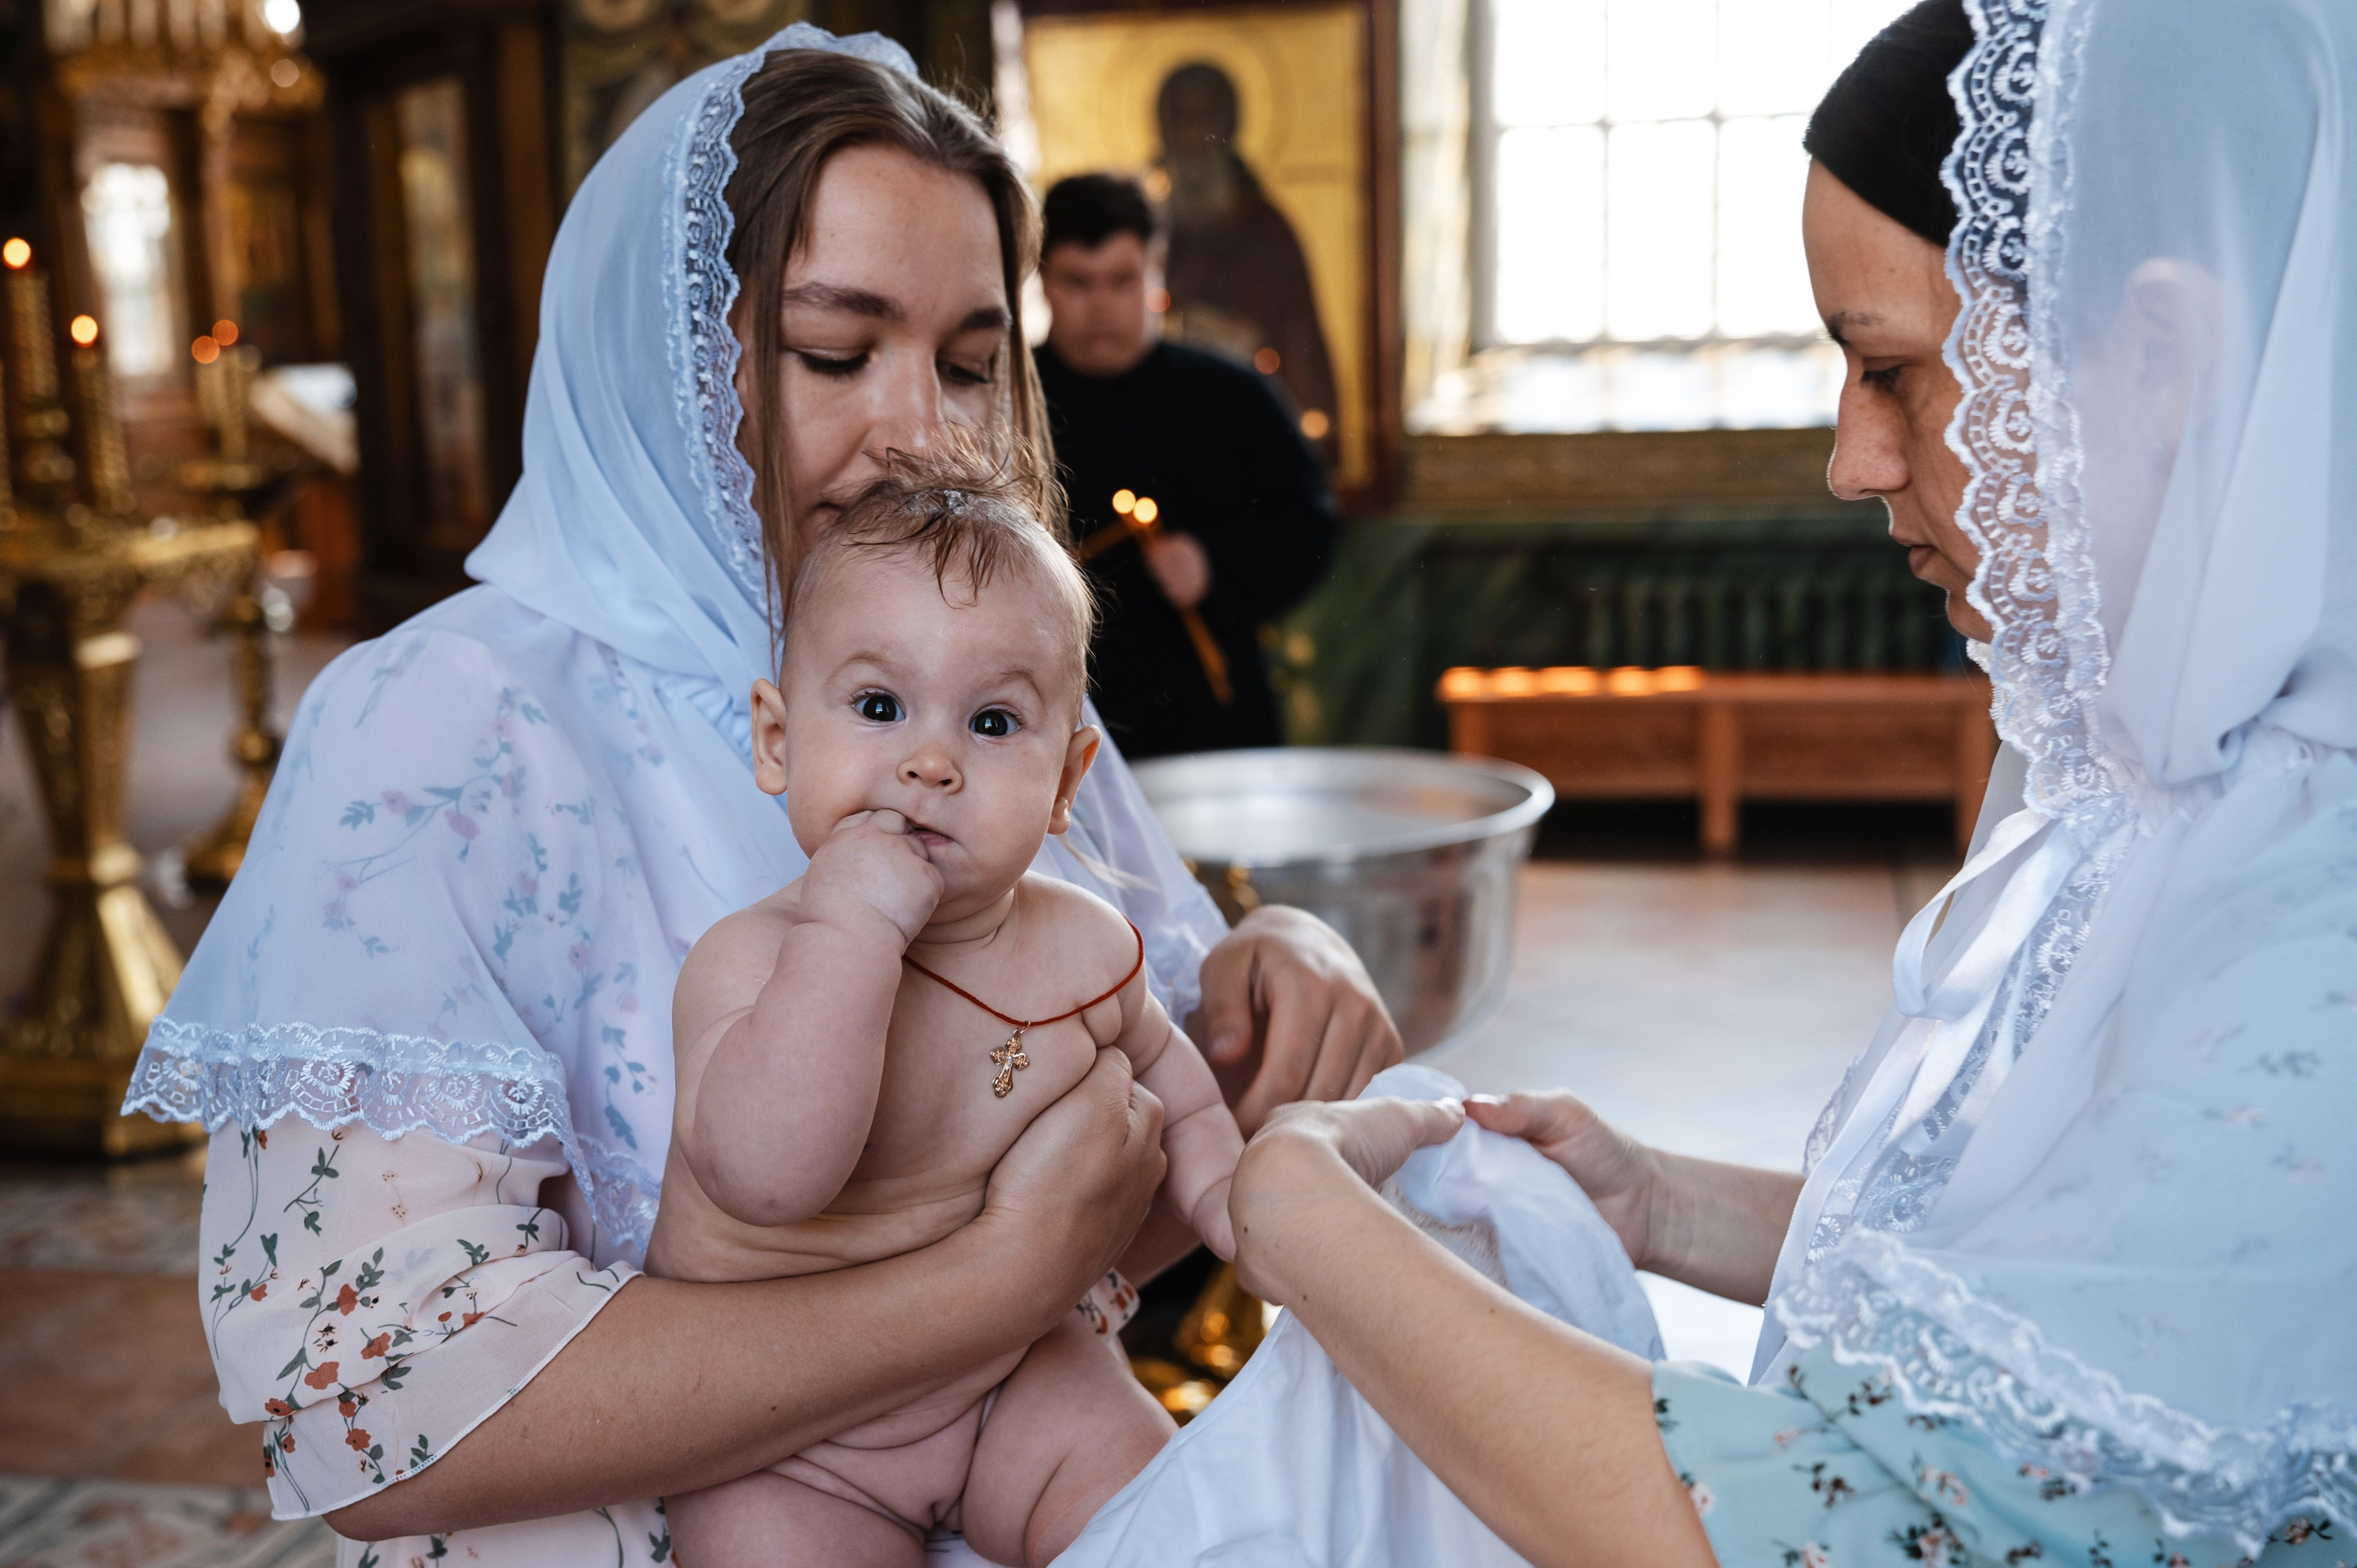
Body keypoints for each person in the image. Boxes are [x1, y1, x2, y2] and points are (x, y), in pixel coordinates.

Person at [1056, 0, 2357, 1563]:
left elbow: (1831, 1525)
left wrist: (1316, 1230)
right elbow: (2037, 1314)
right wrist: (1662, 1202)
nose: (1853, 459)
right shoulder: (2156, 782)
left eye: (1889, 369)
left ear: (2161, 351)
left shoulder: (2313, 914)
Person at [122, 27, 1399, 1566]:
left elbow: (1130, 1144)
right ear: (669, 357)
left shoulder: (970, 676)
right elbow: (370, 1404)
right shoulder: (438, 721)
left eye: (976, 365)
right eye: (837, 350)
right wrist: (980, 1294)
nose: (926, 431)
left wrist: (1278, 976)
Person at [651, 456, 1241, 1568]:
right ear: (777, 740)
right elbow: (774, 1177)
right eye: (878, 706)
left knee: (1168, 1516)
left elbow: (1176, 1082)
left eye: (992, 721)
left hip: (1016, 1379)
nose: (928, 762)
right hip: (788, 1436)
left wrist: (1231, 1201)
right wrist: (851, 935)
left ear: (1067, 781)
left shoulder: (1084, 941)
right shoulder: (748, 963)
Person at [1034, 172, 1338, 760]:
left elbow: (1311, 528)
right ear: (1042, 277)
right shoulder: (1003, 399)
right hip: (1056, 714)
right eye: (1076, 282)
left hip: (1207, 709)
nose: (1100, 305)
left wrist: (1213, 564)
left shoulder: (1234, 396)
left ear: (1157, 268)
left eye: (1122, 280)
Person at [1155, 62, 1340, 462]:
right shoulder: (1145, 227)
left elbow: (1301, 344)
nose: (1193, 134)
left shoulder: (1269, 233)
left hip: (1252, 432)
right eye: (1181, 117)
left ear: (1230, 126)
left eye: (1206, 116)